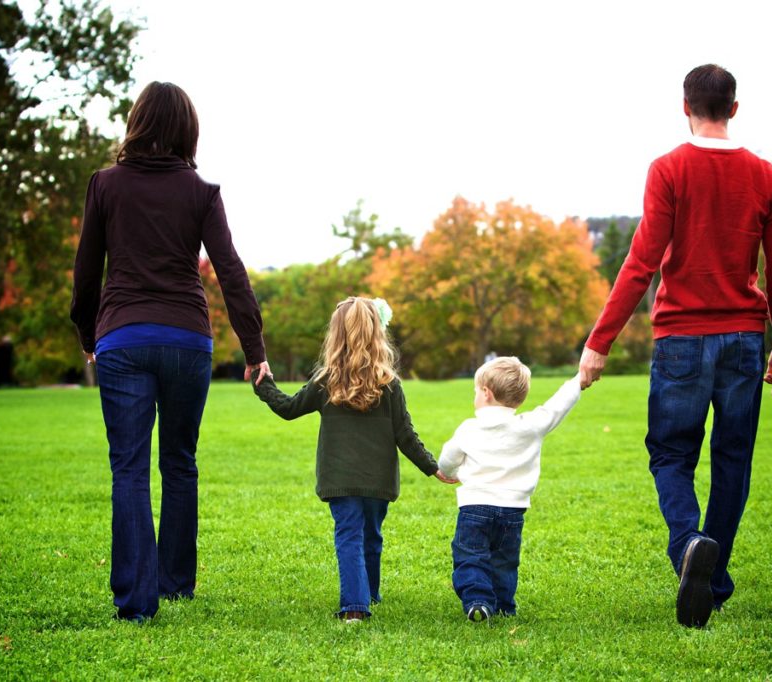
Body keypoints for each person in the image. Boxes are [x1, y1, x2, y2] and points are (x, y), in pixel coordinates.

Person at [578, 64, 772, 628]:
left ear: (685, 106)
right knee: (732, 460)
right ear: (735, 107)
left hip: (680, 340)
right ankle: (712, 579)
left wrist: (600, 341)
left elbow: (641, 263)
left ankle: (688, 549)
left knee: (671, 454)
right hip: (745, 341)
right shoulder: (767, 177)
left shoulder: (668, 169)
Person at [70, 81, 270, 623]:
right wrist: (254, 349)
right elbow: (230, 272)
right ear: (188, 129)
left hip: (124, 338)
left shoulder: (105, 185)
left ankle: (137, 603)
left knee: (130, 469)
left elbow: (86, 272)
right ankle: (176, 582)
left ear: (136, 122)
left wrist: (88, 335)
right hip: (187, 340)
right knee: (180, 462)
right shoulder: (201, 191)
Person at [251, 297, 455, 622]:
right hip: (379, 480)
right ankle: (366, 594)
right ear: (377, 334)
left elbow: (288, 409)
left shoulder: (326, 381)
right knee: (370, 536)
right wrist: (432, 467)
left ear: (335, 335)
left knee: (350, 534)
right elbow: (406, 435)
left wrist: (264, 384)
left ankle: (357, 605)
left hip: (340, 478)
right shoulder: (389, 383)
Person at [437, 357, 581, 622]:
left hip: (474, 508)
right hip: (513, 511)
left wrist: (448, 473)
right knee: (504, 560)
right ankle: (503, 606)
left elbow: (447, 459)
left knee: (470, 556)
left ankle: (478, 600)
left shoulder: (469, 428)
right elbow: (556, 407)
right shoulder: (529, 426)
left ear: (485, 393)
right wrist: (578, 381)